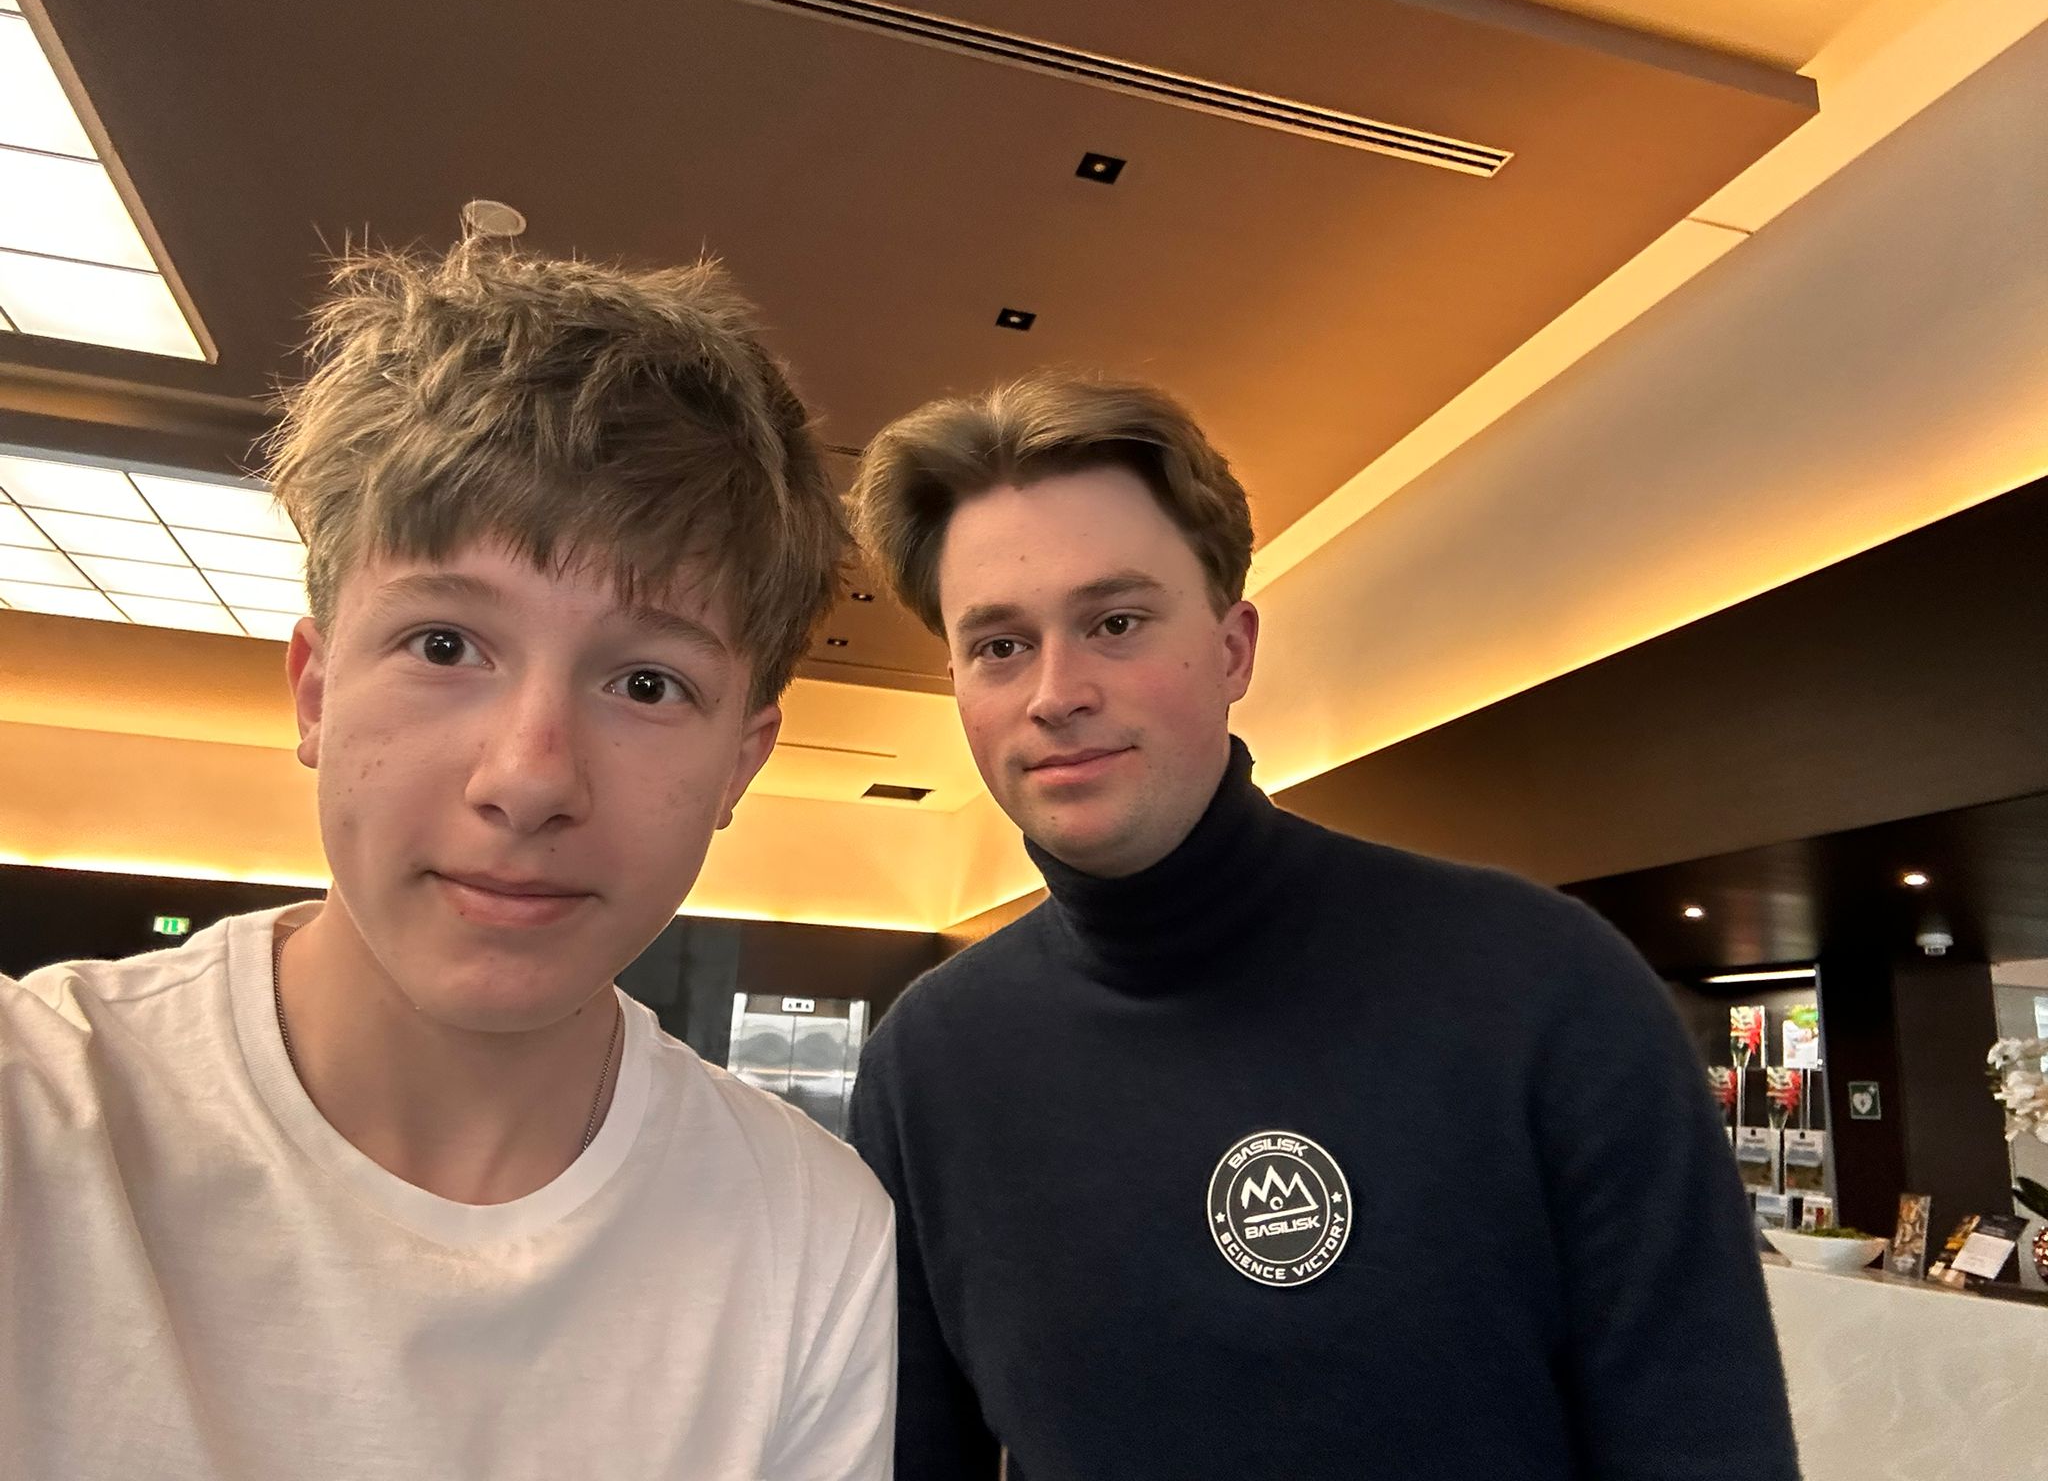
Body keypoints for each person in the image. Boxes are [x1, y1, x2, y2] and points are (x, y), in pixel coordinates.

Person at [0, 240, 894, 1478]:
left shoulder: (810, 1234)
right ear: (316, 694)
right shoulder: (42, 1115)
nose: (529, 779)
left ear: (740, 762)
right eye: (442, 645)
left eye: (646, 683)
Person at [845, 374, 1799, 1479]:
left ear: (1232, 650)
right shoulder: (930, 1063)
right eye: (1000, 646)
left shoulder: (1540, 986)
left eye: (1114, 623)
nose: (1055, 692)